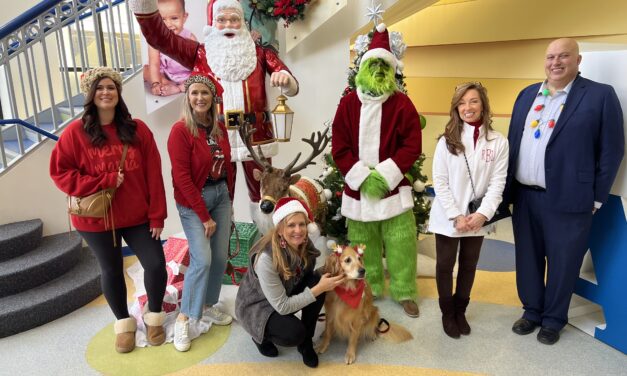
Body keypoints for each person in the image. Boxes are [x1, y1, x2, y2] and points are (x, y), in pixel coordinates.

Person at [129, 0, 299, 226]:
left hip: (257, 137)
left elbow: (290, 82)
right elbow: (160, 39)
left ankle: (268, 243)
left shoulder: (259, 53)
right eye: (222, 20)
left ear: (242, 23)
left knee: (264, 195)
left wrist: (285, 80)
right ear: (212, 23)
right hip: (216, 139)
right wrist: (144, 6)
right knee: (221, 197)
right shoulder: (198, 53)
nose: (229, 25)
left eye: (234, 19)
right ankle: (224, 249)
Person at [505, 38, 624, 345]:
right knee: (528, 258)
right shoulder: (527, 94)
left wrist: (596, 197)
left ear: (578, 59)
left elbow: (612, 150)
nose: (555, 62)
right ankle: (532, 311)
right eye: (550, 57)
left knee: (564, 260)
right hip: (525, 195)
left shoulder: (599, 95)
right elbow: (514, 143)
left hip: (572, 198)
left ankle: (554, 319)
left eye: (563, 56)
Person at [49, 67, 168, 353]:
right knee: (111, 269)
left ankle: (153, 317)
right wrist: (102, 181)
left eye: (111, 87)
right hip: (95, 219)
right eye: (100, 88)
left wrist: (157, 215)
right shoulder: (75, 133)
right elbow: (60, 173)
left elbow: (154, 174)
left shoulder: (138, 130)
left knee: (155, 264)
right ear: (91, 95)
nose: (106, 92)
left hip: (137, 216)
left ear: (118, 93)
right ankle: (124, 324)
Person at [331, 23, 422, 317]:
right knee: (362, 246)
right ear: (363, 68)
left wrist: (383, 176)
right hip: (358, 192)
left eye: (385, 65)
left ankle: (405, 290)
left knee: (401, 244)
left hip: (393, 189)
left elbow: (411, 143)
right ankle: (367, 288)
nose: (379, 70)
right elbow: (340, 146)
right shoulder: (347, 104)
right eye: (374, 64)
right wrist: (361, 177)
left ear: (392, 69)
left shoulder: (402, 104)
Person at [428, 82, 508, 338]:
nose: (467, 107)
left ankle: (460, 311)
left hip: (478, 217)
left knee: (469, 265)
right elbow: (439, 181)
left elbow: (498, 182)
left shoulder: (498, 142)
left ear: (483, 104)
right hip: (449, 216)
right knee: (444, 265)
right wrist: (456, 215)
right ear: (455, 108)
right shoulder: (446, 142)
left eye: (473, 101)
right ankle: (447, 313)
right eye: (461, 103)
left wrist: (483, 214)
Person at [167, 74, 235, 352]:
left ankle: (207, 305)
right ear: (188, 97)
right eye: (194, 93)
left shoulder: (219, 127)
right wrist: (204, 216)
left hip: (220, 196)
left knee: (219, 256)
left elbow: (228, 167)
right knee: (202, 259)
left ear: (212, 98)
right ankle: (185, 317)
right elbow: (182, 178)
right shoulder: (180, 131)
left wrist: (229, 202)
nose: (199, 98)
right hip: (194, 200)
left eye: (204, 93)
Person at [235, 197, 345, 368]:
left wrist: (333, 267)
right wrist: (318, 289)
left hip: (284, 290)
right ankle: (260, 336)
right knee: (294, 332)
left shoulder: (304, 244)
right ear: (279, 229)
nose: (298, 230)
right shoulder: (266, 259)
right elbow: (283, 306)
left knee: (318, 281)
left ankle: (306, 343)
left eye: (302, 224)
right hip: (257, 307)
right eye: (291, 225)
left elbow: (306, 277)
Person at [143, 0, 196, 96]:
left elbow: (198, 64)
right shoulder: (155, 40)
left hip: (186, 75)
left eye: (174, 18)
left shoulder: (189, 38)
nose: (168, 24)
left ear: (184, 17)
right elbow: (154, 63)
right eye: (162, 20)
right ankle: (166, 83)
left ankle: (178, 88)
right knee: (146, 70)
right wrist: (155, 83)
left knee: (199, 78)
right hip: (166, 74)